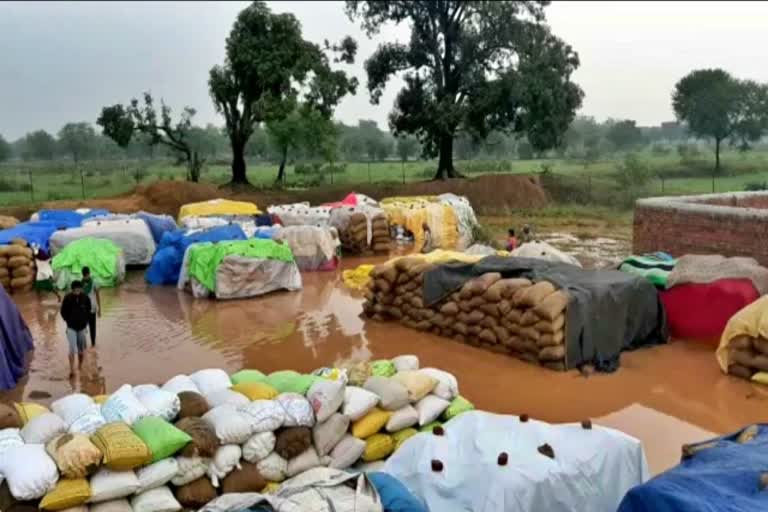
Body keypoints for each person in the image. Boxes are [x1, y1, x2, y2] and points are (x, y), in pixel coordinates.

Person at [60, 280, 91, 377]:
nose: (77, 291)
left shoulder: (85, 298)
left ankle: (80, 366)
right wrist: (67, 321)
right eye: (75, 289)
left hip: (82, 328)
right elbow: (62, 311)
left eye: (79, 289)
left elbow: (88, 310)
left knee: (81, 351)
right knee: (72, 349)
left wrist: (85, 321)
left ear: (81, 289)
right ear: (72, 289)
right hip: (71, 328)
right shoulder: (67, 298)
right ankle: (72, 369)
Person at [81, 266, 101, 347]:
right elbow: (97, 296)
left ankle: (90, 345)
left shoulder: (91, 283)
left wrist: (99, 309)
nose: (86, 277)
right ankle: (88, 345)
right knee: (87, 328)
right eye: (86, 275)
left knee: (89, 328)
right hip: (87, 309)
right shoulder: (82, 283)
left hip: (89, 309)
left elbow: (97, 295)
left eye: (87, 275)